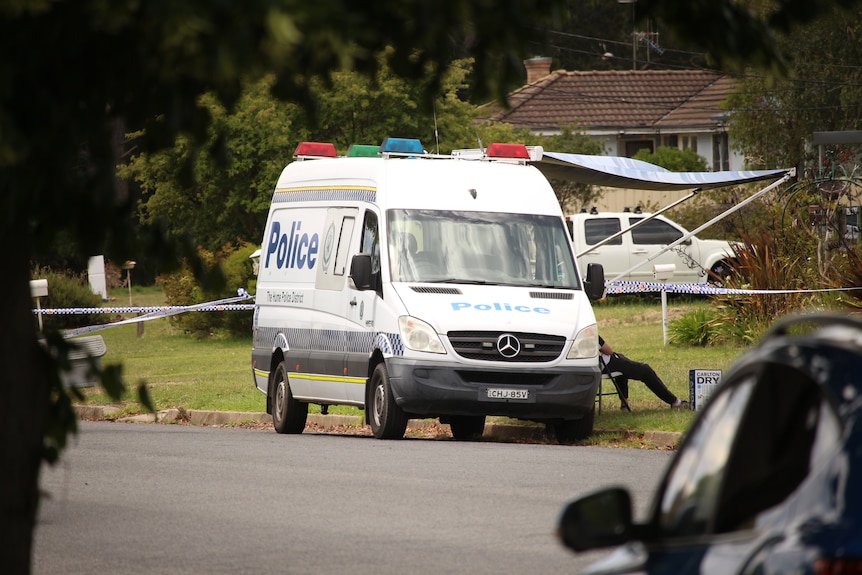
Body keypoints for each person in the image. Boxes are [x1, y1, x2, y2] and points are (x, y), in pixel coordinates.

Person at [599, 336, 689, 409]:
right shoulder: (589, 333)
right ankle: (675, 402)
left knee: (622, 361)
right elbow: (608, 351)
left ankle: (624, 402)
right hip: (604, 365)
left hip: (594, 367)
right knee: (645, 370)